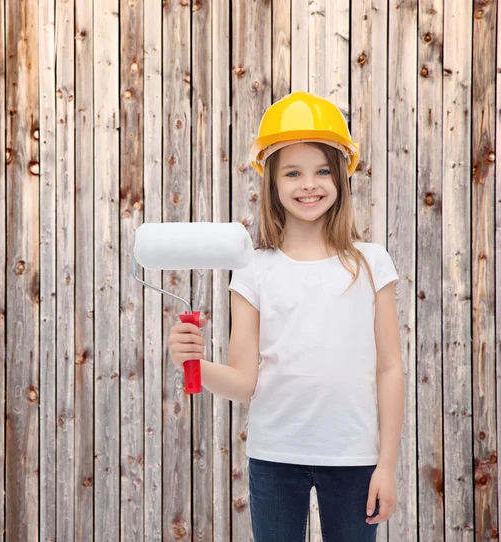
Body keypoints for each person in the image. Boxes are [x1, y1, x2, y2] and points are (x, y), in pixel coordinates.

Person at [168, 91, 405, 541]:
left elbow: (390, 367)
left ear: (341, 178)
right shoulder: (254, 270)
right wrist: (192, 362)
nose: (308, 184)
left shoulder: (371, 263)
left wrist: (387, 464)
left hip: (355, 457)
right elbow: (243, 381)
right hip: (275, 457)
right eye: (293, 173)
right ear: (272, 183)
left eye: (321, 171)